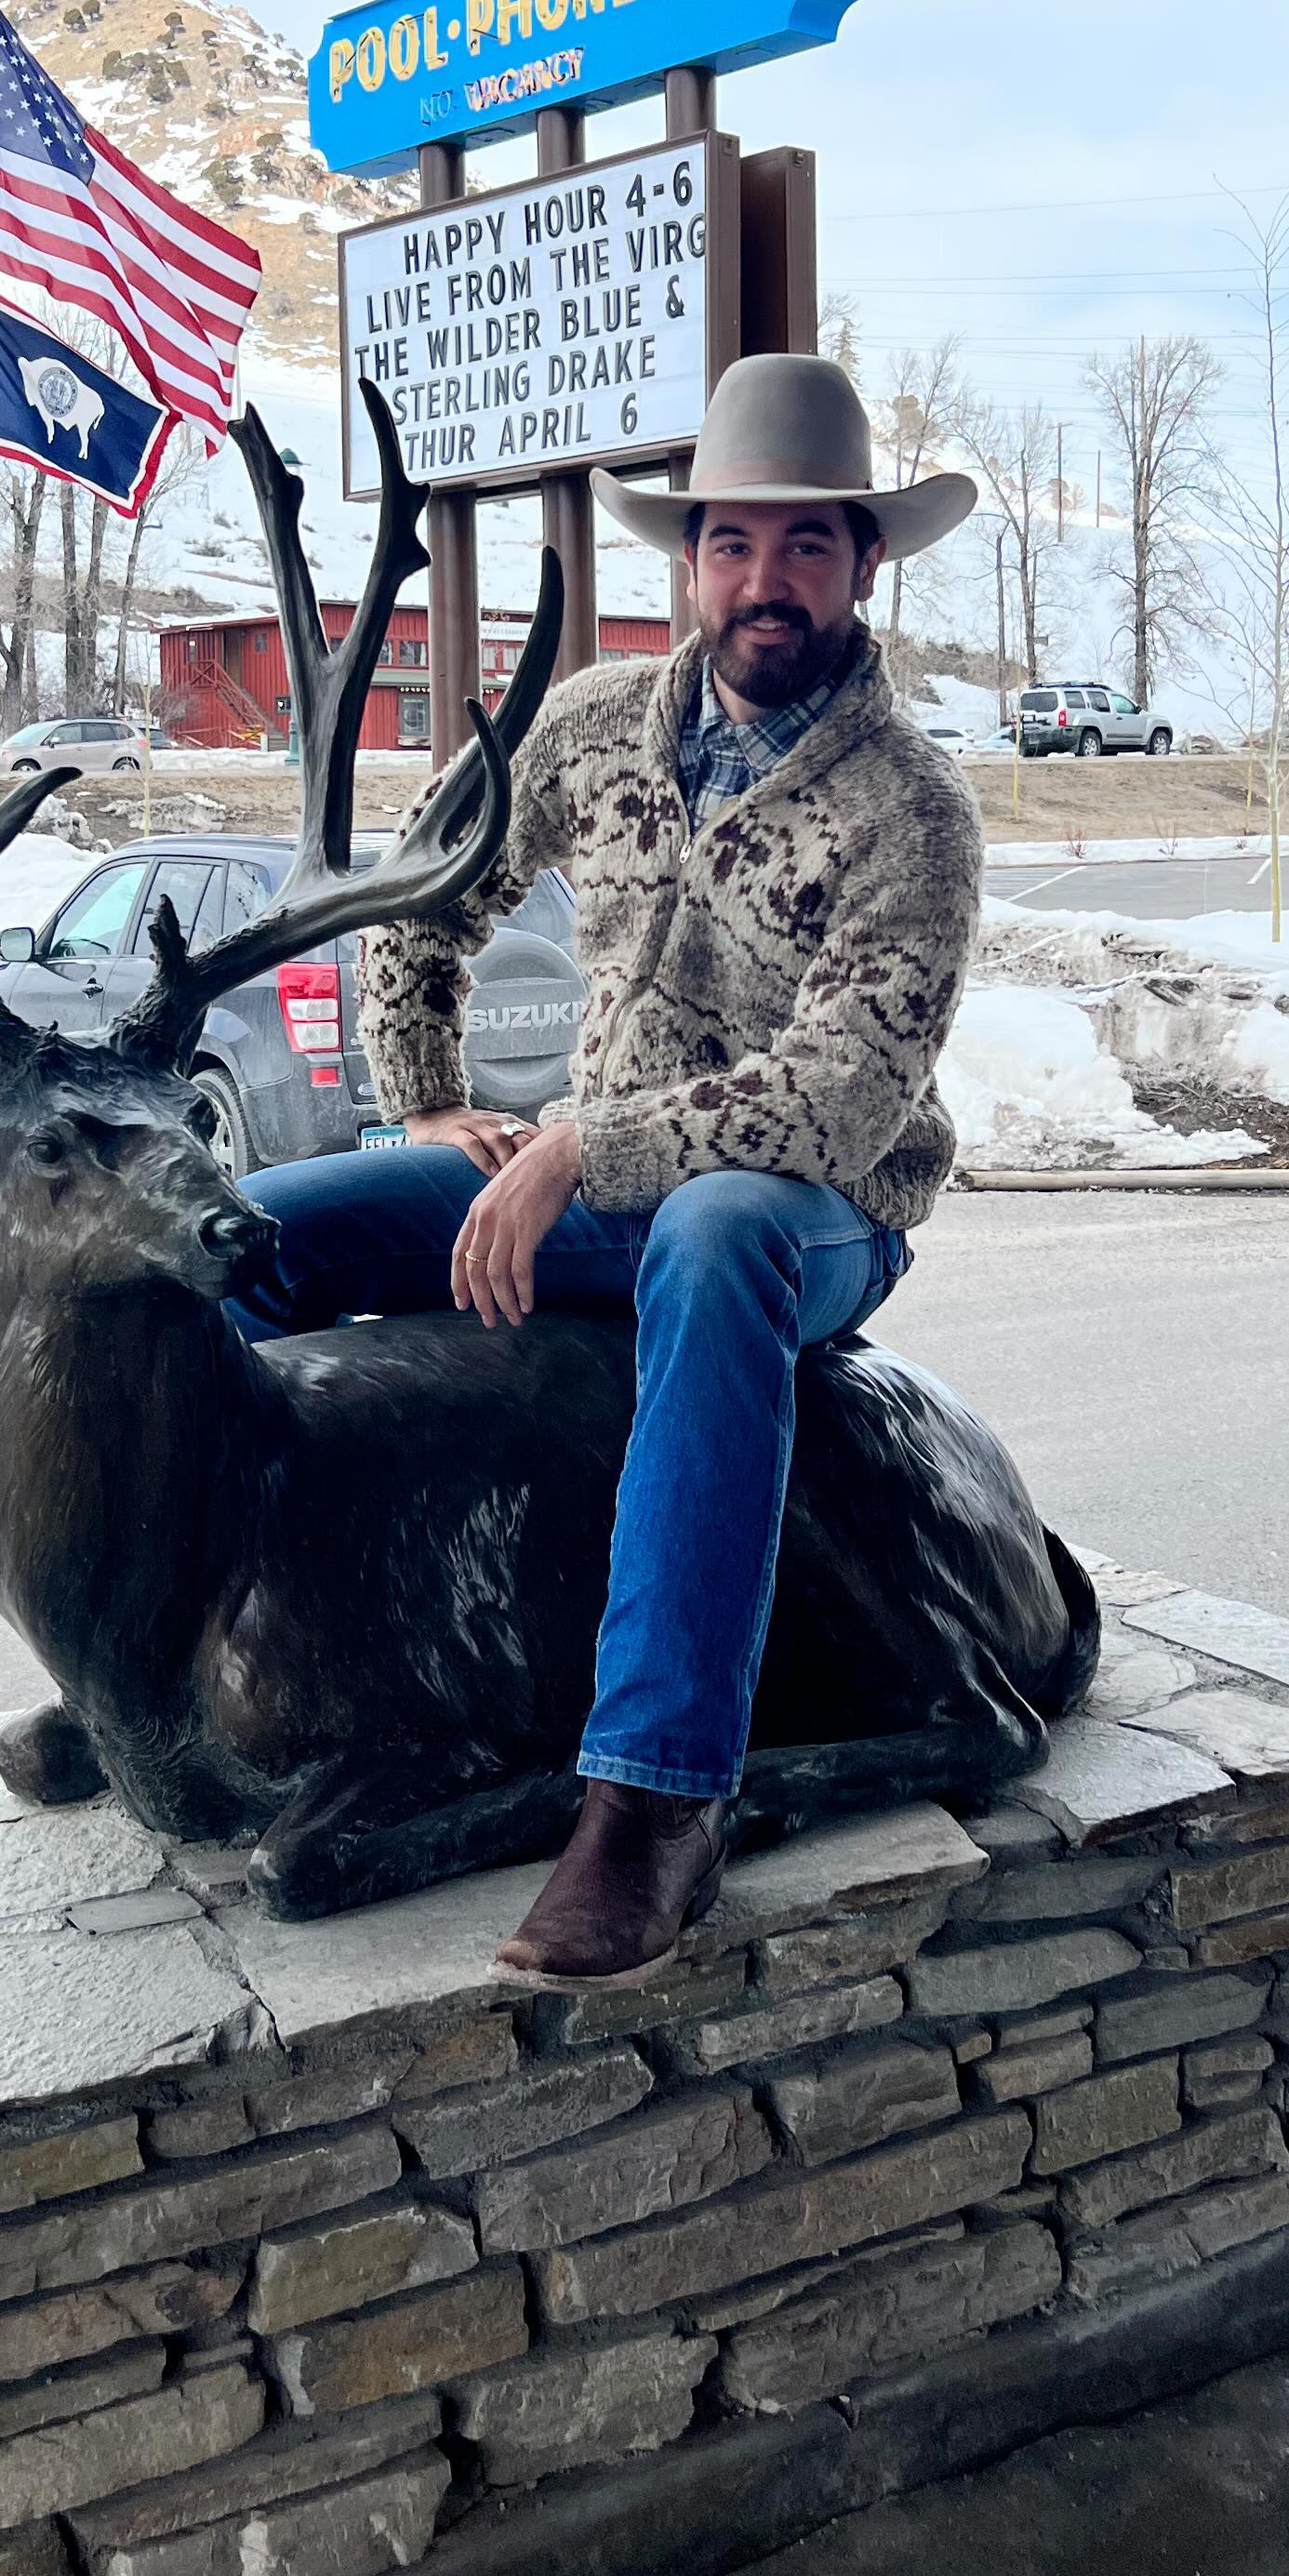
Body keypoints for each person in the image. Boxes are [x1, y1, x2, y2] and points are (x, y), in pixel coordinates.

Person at [231, 353, 980, 1982]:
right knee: (242, 1243)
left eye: (804, 549)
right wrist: (427, 1097)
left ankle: (656, 1797)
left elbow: (845, 1096)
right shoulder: (589, 729)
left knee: (712, 1239)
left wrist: (581, 1144)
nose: (764, 582)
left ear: (862, 564)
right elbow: (426, 890)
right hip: (587, 1182)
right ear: (689, 557)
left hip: (812, 1216)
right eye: (732, 544)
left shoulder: (910, 810)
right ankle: (182, 1658)